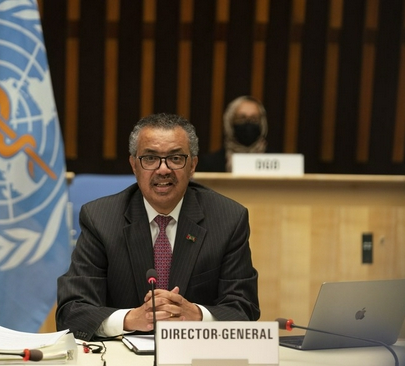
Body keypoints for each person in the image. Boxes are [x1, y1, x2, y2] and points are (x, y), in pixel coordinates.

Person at [56, 113, 260, 341]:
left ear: (192, 165)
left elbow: (244, 308)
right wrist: (130, 319)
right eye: (150, 158)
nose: (163, 169)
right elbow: (71, 311)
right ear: (134, 165)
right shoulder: (101, 219)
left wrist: (198, 315)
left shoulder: (228, 219)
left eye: (175, 158)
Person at [199, 96, 268, 172]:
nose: (248, 123)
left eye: (254, 119)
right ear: (230, 122)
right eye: (242, 118)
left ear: (262, 123)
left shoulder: (278, 161)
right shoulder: (209, 163)